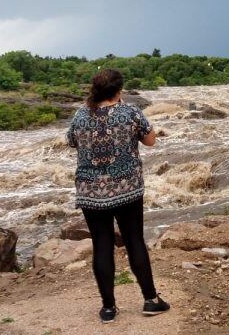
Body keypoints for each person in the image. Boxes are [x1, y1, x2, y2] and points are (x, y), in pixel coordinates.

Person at [67, 68, 170, 322]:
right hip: (127, 188)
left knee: (101, 245)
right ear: (119, 90)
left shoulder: (80, 115)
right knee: (134, 240)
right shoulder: (130, 112)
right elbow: (150, 141)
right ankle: (151, 300)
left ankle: (108, 309)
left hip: (90, 190)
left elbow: (72, 142)